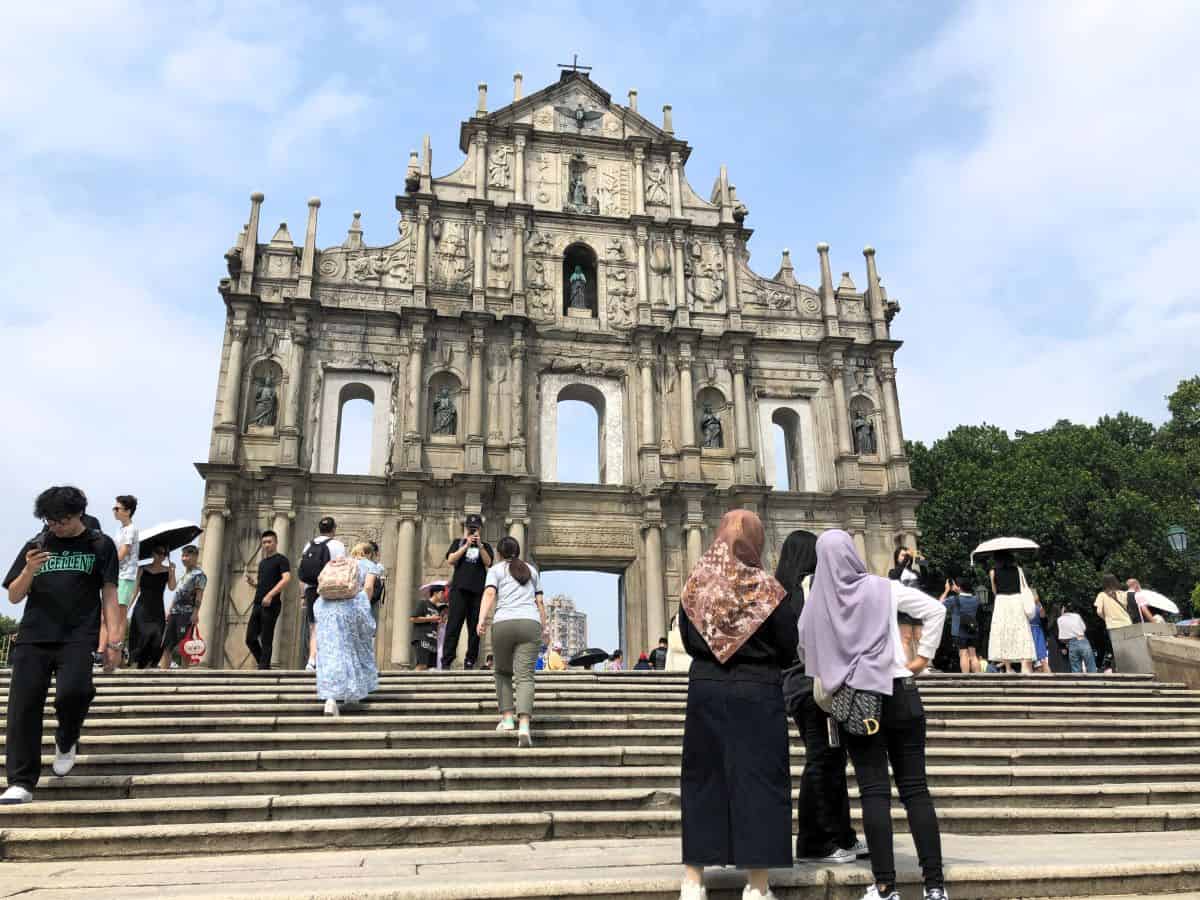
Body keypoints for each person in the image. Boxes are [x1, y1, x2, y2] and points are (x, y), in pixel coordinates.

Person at [799, 529, 948, 900]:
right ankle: (934, 886)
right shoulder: (882, 588)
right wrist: (921, 659)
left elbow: (805, 652)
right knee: (916, 790)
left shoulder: (816, 605)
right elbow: (936, 609)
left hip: (859, 700)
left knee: (874, 793)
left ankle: (885, 886)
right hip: (901, 691)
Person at [677, 510, 796, 900]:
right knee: (759, 778)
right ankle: (757, 885)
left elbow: (689, 641)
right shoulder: (770, 590)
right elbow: (788, 646)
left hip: (707, 687)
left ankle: (693, 880)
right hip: (758, 689)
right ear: (757, 541)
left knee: (702, 777)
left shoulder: (697, 585)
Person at [2, 486, 120, 804]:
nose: (55, 526)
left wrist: (114, 641)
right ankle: (21, 782)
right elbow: (14, 595)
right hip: (34, 636)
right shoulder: (37, 544)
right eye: (50, 520)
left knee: (75, 692)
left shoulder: (100, 544)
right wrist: (29, 569)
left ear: (79, 514)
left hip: (78, 636)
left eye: (62, 520)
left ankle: (67, 737)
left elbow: (110, 595)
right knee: (23, 708)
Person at [776, 528, 863, 866]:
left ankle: (841, 835)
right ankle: (815, 842)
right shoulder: (809, 589)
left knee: (831, 757)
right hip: (815, 686)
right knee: (823, 758)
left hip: (799, 686)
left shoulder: (780, 592)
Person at [476, 536, 545, 747]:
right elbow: (540, 602)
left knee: (502, 672)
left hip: (504, 623)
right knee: (525, 677)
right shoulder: (531, 570)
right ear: (518, 551)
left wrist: (481, 620)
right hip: (530, 623)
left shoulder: (495, 570)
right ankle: (524, 726)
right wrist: (545, 627)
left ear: (498, 553)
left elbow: (489, 594)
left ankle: (507, 719)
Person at [316, 542, 380, 716]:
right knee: (354, 650)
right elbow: (368, 587)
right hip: (352, 607)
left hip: (326, 607)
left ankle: (332, 698)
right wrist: (364, 608)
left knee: (332, 651)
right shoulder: (370, 565)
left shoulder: (342, 563)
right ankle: (349, 694)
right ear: (370, 553)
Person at [442, 514, 494, 669]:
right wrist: (465, 545)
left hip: (477, 592)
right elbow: (451, 560)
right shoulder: (458, 543)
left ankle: (470, 660)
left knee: (475, 628)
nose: (473, 531)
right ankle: (447, 660)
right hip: (459, 591)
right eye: (470, 528)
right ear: (465, 528)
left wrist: (480, 546)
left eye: (476, 528)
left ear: (480, 529)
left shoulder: (485, 546)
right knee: (453, 625)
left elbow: (488, 562)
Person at [298, 518, 346, 672]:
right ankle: (326, 661)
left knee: (314, 626)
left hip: (311, 589)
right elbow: (341, 569)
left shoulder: (309, 545)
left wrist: (303, 596)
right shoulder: (337, 545)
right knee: (331, 626)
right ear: (334, 529)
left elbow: (302, 572)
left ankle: (312, 661)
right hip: (330, 589)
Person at [243, 530, 291, 670]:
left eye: (269, 542)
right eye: (264, 542)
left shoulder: (281, 559)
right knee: (250, 638)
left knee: (266, 638)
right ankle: (264, 665)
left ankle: (263, 668)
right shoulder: (263, 563)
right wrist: (253, 583)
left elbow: (286, 579)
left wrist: (270, 595)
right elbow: (264, 584)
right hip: (258, 604)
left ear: (276, 542)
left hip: (272, 604)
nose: (266, 545)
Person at [100, 495, 139, 664]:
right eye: (114, 508)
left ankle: (116, 653)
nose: (114, 511)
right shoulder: (120, 529)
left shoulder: (131, 529)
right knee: (105, 616)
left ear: (128, 511)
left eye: (117, 508)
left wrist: (109, 565)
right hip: (116, 576)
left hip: (126, 576)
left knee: (119, 617)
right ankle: (102, 651)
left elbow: (123, 551)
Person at [986, 550, 1035, 673]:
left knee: (1003, 632)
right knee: (1020, 630)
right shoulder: (1018, 570)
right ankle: (1024, 665)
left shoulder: (993, 572)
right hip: (1016, 600)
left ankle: (1008, 667)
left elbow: (994, 590)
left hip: (1002, 601)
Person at [127, 544, 175, 670]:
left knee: (157, 636)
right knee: (140, 635)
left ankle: (148, 665)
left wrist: (172, 572)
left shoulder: (168, 570)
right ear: (153, 553)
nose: (161, 556)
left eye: (164, 553)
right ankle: (135, 663)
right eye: (159, 552)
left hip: (157, 608)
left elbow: (172, 587)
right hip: (142, 607)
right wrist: (127, 607)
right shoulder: (142, 569)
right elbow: (135, 590)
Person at [162, 545, 205, 669]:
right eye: (182, 555)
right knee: (167, 644)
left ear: (195, 556)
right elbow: (176, 593)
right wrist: (169, 609)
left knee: (186, 645)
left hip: (187, 614)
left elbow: (199, 595)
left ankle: (184, 673)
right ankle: (163, 673)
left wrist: (195, 613)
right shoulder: (182, 573)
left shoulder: (199, 575)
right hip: (174, 613)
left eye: (187, 555)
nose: (183, 558)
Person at [888, 547, 923, 663]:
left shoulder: (915, 573)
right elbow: (894, 577)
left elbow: (926, 579)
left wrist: (920, 561)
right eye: (902, 555)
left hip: (916, 608)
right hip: (903, 608)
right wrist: (907, 558)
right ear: (896, 558)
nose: (905, 558)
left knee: (920, 638)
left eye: (906, 555)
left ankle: (922, 666)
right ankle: (907, 666)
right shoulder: (893, 572)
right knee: (906, 638)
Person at [941, 578, 982, 674]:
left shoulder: (954, 599)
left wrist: (947, 590)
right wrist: (958, 590)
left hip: (959, 631)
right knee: (973, 655)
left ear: (959, 587)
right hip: (972, 629)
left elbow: (939, 604)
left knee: (963, 654)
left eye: (955, 584)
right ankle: (979, 677)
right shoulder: (976, 599)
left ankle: (966, 678)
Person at [410, 582, 447, 670]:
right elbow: (413, 618)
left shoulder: (437, 609)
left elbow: (434, 624)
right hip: (422, 638)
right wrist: (430, 618)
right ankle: (411, 678)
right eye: (442, 593)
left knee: (431, 669)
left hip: (433, 641)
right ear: (435, 593)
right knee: (422, 665)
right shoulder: (423, 603)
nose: (443, 596)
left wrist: (440, 622)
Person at [1056, 606, 1097, 673]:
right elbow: (1084, 628)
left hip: (1071, 643)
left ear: (1062, 610)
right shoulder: (1077, 616)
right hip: (1082, 640)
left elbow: (1061, 637)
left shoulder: (1059, 619)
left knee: (1076, 669)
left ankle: (1078, 679)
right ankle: (1095, 679)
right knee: (1090, 665)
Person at [1029, 590, 1051, 674]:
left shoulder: (1035, 606)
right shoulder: (1038, 605)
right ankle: (1049, 676)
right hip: (1037, 630)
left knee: (1032, 657)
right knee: (1041, 657)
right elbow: (1043, 616)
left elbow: (1043, 616)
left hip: (1033, 631)